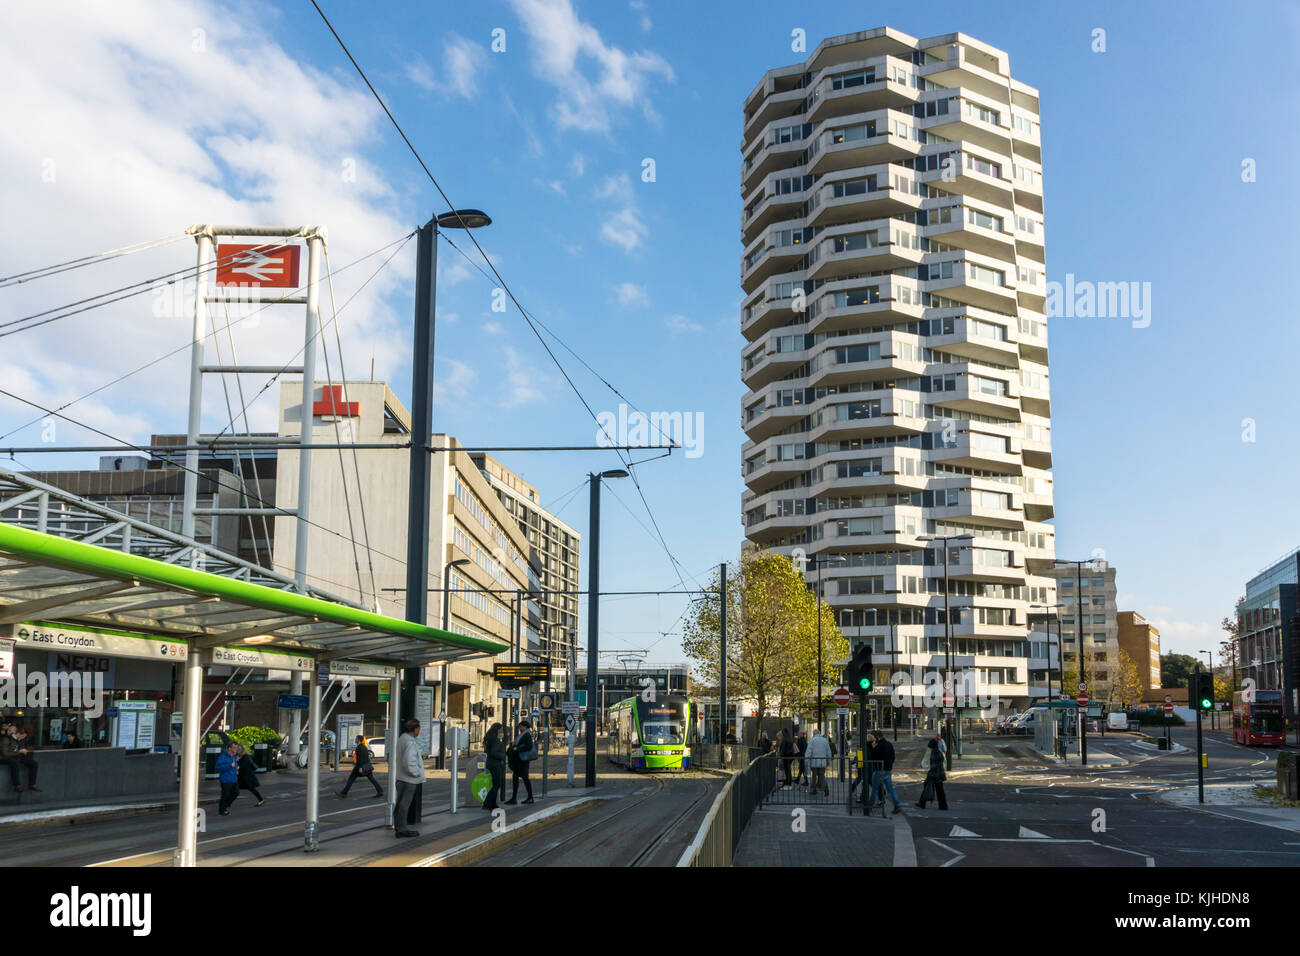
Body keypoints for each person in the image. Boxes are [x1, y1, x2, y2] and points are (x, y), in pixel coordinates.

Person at [392, 718, 424, 837]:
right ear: (415, 729)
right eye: (419, 728)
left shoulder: (402, 739)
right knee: (404, 805)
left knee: (400, 804)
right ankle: (402, 828)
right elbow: (409, 761)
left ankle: (399, 826)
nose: (419, 731)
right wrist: (416, 773)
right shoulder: (410, 742)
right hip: (408, 779)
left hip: (400, 777)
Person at [339, 734, 384, 799]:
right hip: (367, 766)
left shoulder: (359, 747)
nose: (355, 740)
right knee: (372, 779)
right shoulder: (364, 746)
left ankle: (343, 793)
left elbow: (360, 759)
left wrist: (360, 767)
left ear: (358, 740)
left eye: (356, 739)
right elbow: (366, 757)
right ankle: (380, 791)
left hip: (360, 766)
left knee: (351, 779)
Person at [867, 731, 901, 814]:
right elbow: (893, 757)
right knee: (891, 789)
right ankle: (897, 805)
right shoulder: (889, 744)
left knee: (875, 789)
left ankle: (869, 806)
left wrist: (873, 748)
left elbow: (872, 757)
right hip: (888, 770)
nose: (874, 740)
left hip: (879, 770)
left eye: (874, 738)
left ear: (877, 737)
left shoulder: (879, 746)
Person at [1, 724, 40, 793]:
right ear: (18, 733)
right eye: (23, 736)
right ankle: (17, 786)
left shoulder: (20, 740)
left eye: (24, 737)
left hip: (15, 756)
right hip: (4, 757)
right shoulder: (6, 739)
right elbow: (5, 753)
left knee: (34, 763)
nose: (23, 738)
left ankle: (32, 784)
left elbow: (19, 749)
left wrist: (23, 750)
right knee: (14, 763)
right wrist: (20, 751)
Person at [505, 719, 536, 805]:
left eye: (520, 726)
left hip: (522, 761)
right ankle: (514, 798)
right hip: (518, 760)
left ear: (525, 727)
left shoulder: (527, 735)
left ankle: (530, 797)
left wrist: (517, 748)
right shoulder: (522, 735)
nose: (519, 728)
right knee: (515, 779)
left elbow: (529, 746)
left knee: (525, 779)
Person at [916, 736, 948, 810]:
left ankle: (922, 803)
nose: (929, 749)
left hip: (935, 775)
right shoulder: (939, 752)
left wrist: (930, 775)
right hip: (940, 774)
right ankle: (943, 805)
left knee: (927, 787)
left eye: (930, 747)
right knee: (940, 791)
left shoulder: (934, 754)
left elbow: (933, 767)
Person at [482, 722, 507, 811]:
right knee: (496, 784)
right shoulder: (496, 741)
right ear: (497, 730)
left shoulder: (490, 739)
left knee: (495, 784)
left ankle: (492, 803)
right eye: (501, 730)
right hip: (495, 764)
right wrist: (503, 755)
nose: (502, 732)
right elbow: (494, 752)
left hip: (490, 763)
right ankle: (488, 803)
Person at [805, 728, 832, 796]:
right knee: (821, 776)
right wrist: (828, 760)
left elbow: (809, 751)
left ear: (813, 734)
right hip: (822, 762)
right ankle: (825, 788)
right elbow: (828, 751)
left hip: (814, 762)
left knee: (814, 776)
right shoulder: (825, 740)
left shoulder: (812, 741)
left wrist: (806, 760)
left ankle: (813, 790)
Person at [216, 741, 239, 815]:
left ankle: (225, 806)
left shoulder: (235, 756)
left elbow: (234, 765)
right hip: (225, 779)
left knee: (236, 792)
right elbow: (218, 767)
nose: (236, 749)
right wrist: (229, 765)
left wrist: (236, 767)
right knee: (225, 795)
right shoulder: (223, 756)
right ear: (229, 748)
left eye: (236, 747)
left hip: (233, 778)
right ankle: (222, 811)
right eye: (234, 748)